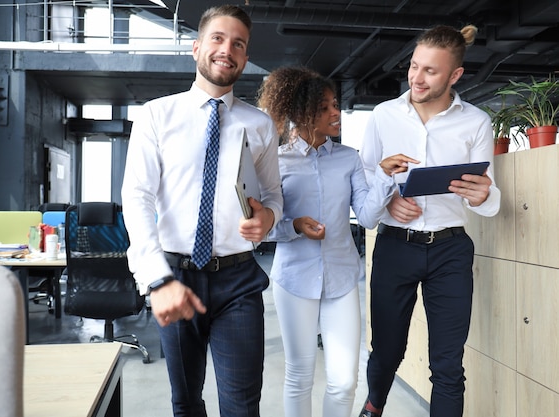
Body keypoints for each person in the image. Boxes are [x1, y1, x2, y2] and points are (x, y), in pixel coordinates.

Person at [121, 5, 283, 417]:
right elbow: (137, 198)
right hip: (176, 273)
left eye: (238, 44)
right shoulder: (157, 115)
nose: (226, 49)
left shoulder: (260, 124)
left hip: (239, 280)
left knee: (242, 407)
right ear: (196, 48)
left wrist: (269, 218)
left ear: (245, 58)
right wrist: (157, 280)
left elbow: (274, 196)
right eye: (217, 38)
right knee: (186, 402)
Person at [257, 66, 417, 417]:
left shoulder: (348, 158)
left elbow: (369, 215)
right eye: (325, 107)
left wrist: (386, 178)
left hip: (342, 279)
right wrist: (295, 225)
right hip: (294, 279)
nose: (335, 113)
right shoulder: (277, 162)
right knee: (299, 376)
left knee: (344, 381)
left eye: (335, 104)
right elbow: (265, 231)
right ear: (302, 114)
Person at [358, 25, 501, 417]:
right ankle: (373, 407)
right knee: (387, 352)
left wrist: (484, 194)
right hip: (394, 247)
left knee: (448, 365)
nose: (416, 78)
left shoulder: (476, 123)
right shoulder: (385, 116)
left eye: (430, 71)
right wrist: (388, 204)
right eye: (414, 66)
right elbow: (369, 180)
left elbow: (489, 196)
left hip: (450, 251)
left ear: (455, 75)